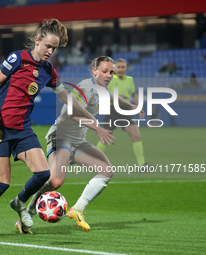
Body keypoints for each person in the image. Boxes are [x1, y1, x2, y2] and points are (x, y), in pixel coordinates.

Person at [0, 19, 115, 239]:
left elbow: (66, 97)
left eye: (53, 48)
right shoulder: (17, 58)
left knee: (43, 173)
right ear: (37, 41)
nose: (50, 51)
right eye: (47, 46)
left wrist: (92, 120)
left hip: (23, 128)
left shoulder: (48, 70)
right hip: (0, 127)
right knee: (1, 183)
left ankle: (20, 202)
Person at [15, 56, 144, 234]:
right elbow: (72, 112)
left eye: (111, 72)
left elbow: (114, 98)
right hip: (61, 136)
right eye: (104, 71)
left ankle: (78, 209)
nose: (108, 75)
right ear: (94, 71)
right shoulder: (86, 88)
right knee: (56, 181)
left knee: (106, 170)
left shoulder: (102, 88)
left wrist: (132, 107)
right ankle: (26, 213)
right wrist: (97, 128)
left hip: (77, 140)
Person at [96, 58, 151, 169]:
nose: (121, 69)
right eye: (119, 67)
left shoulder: (129, 80)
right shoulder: (110, 79)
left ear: (126, 68)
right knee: (105, 137)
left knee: (136, 136)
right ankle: (92, 160)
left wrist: (139, 106)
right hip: (113, 110)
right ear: (115, 69)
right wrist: (117, 97)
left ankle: (142, 164)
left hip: (126, 110)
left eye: (123, 67)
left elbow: (133, 94)